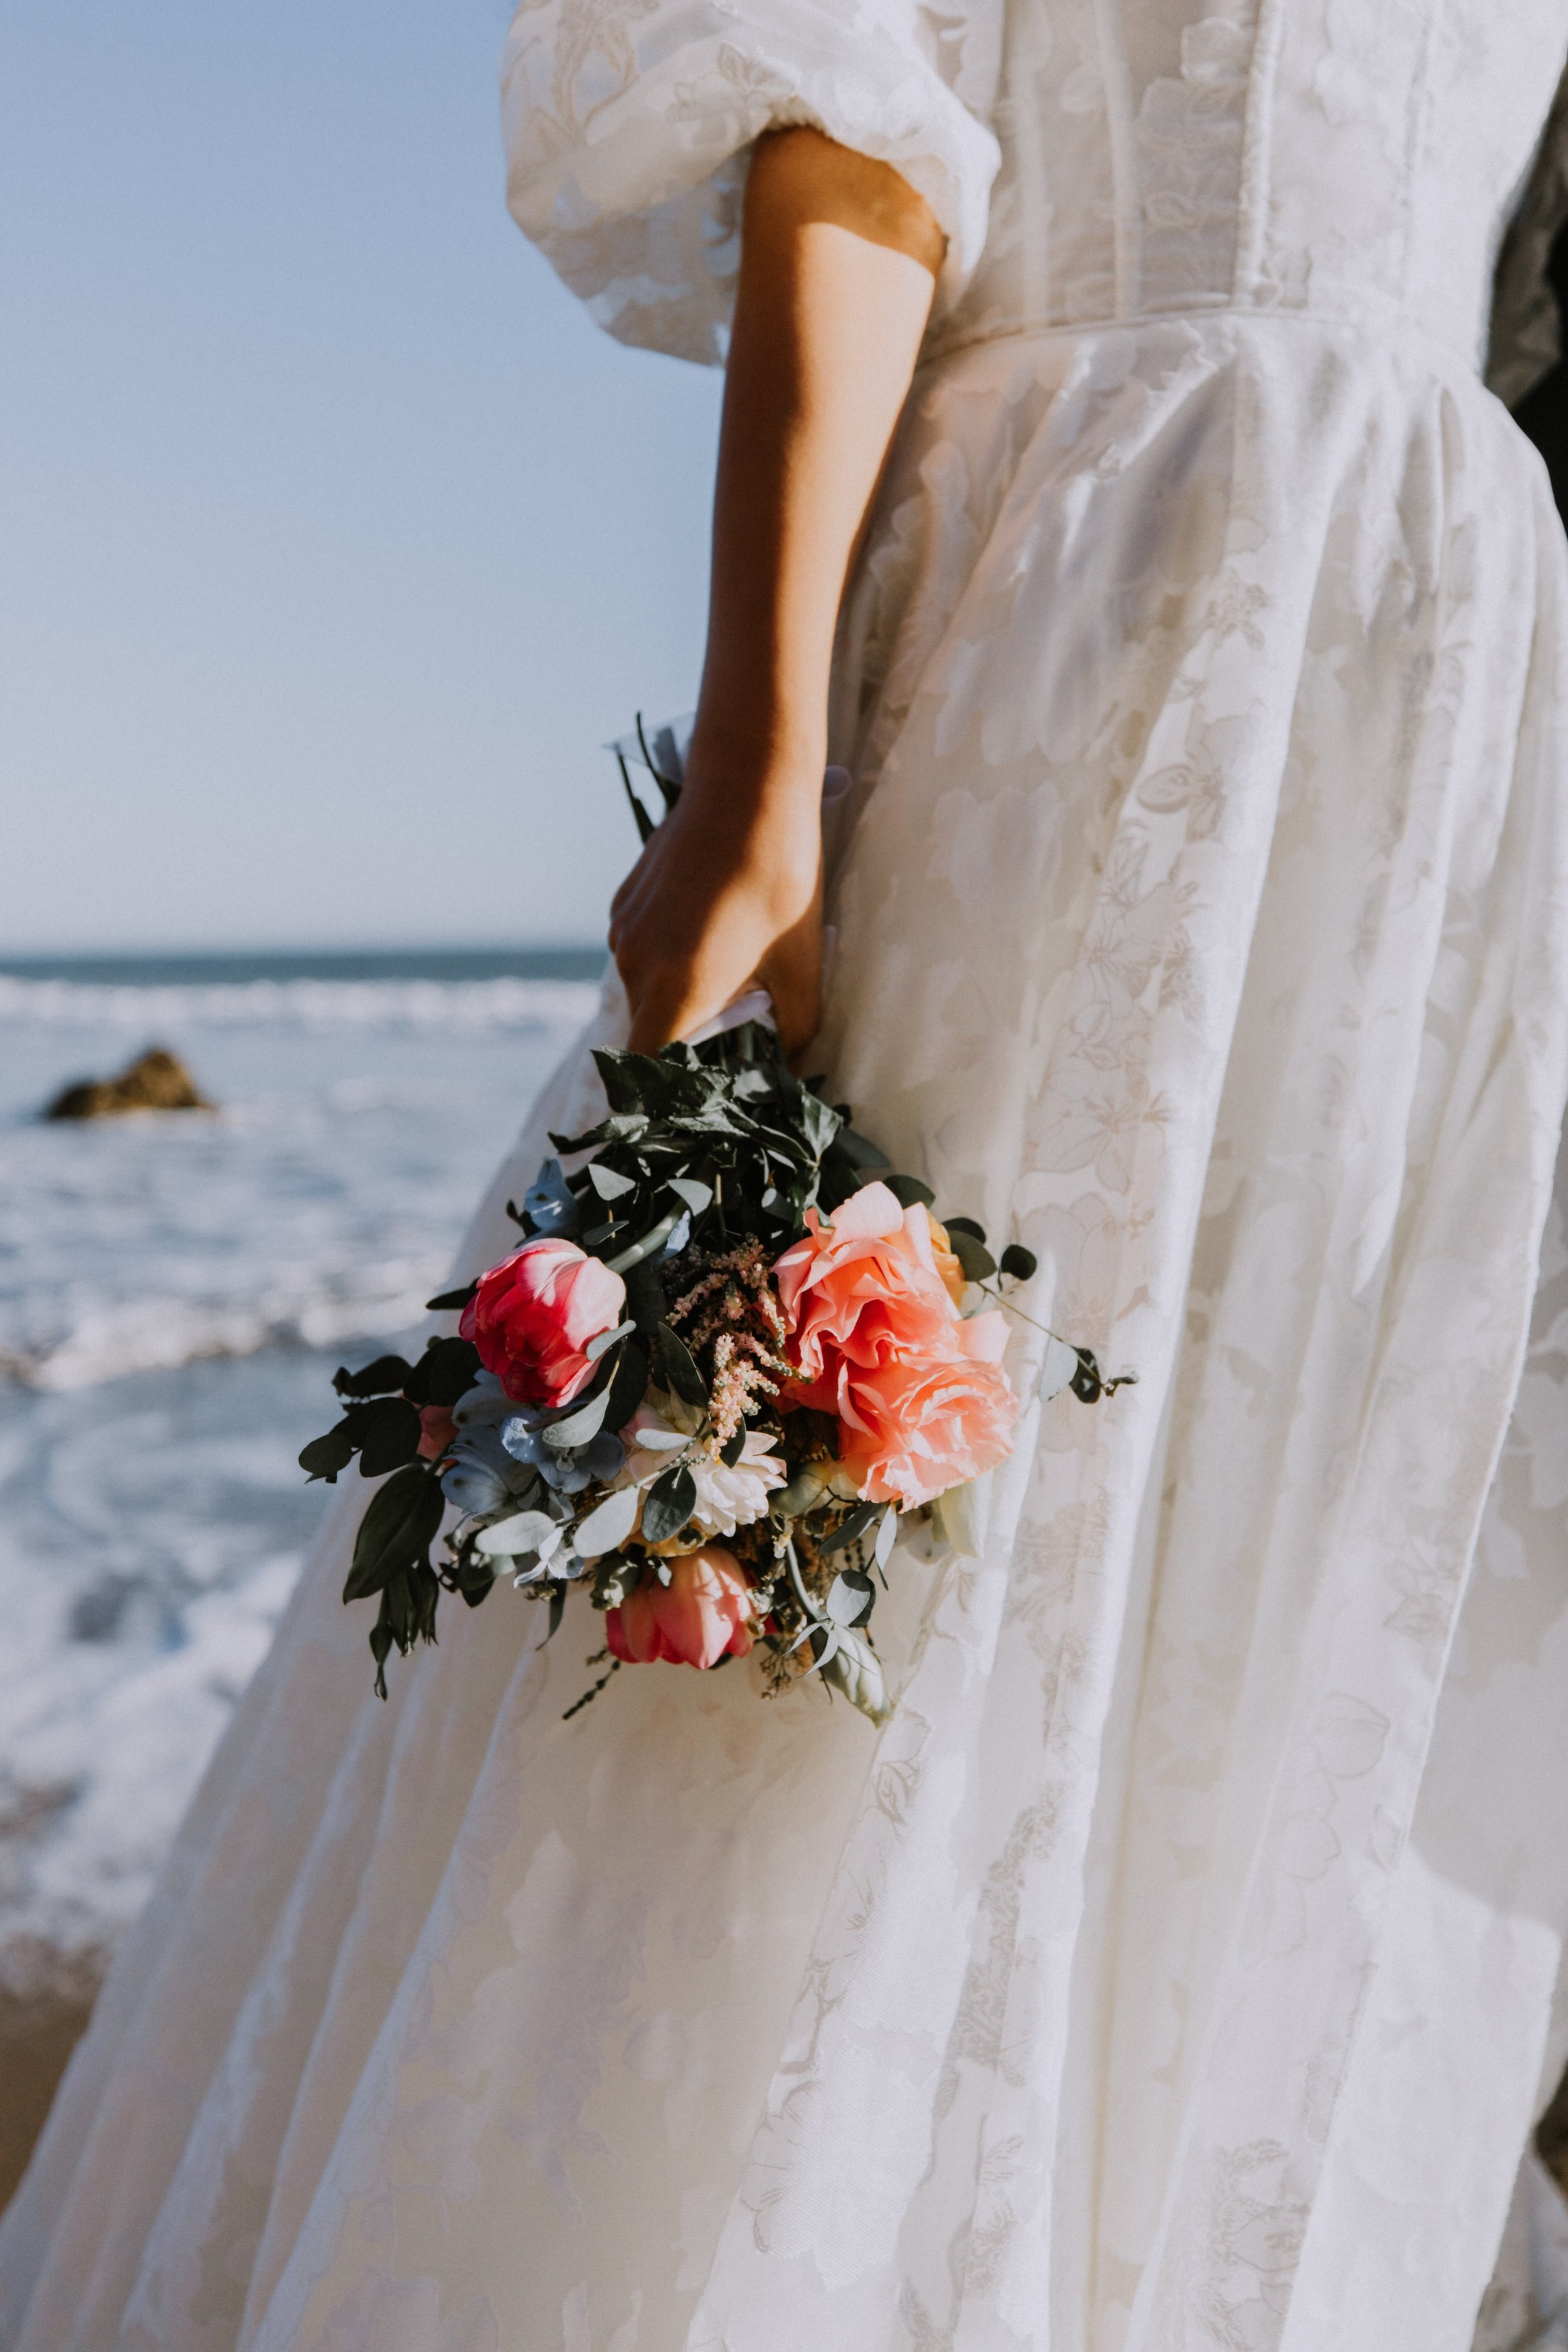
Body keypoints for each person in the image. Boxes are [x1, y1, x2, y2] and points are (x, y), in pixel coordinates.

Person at [8, 5, 1568, 2346]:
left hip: (1440, 747)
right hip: (1101, 615)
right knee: (880, 1597)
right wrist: (761, 753)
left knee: (1279, 1643)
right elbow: (850, 121)